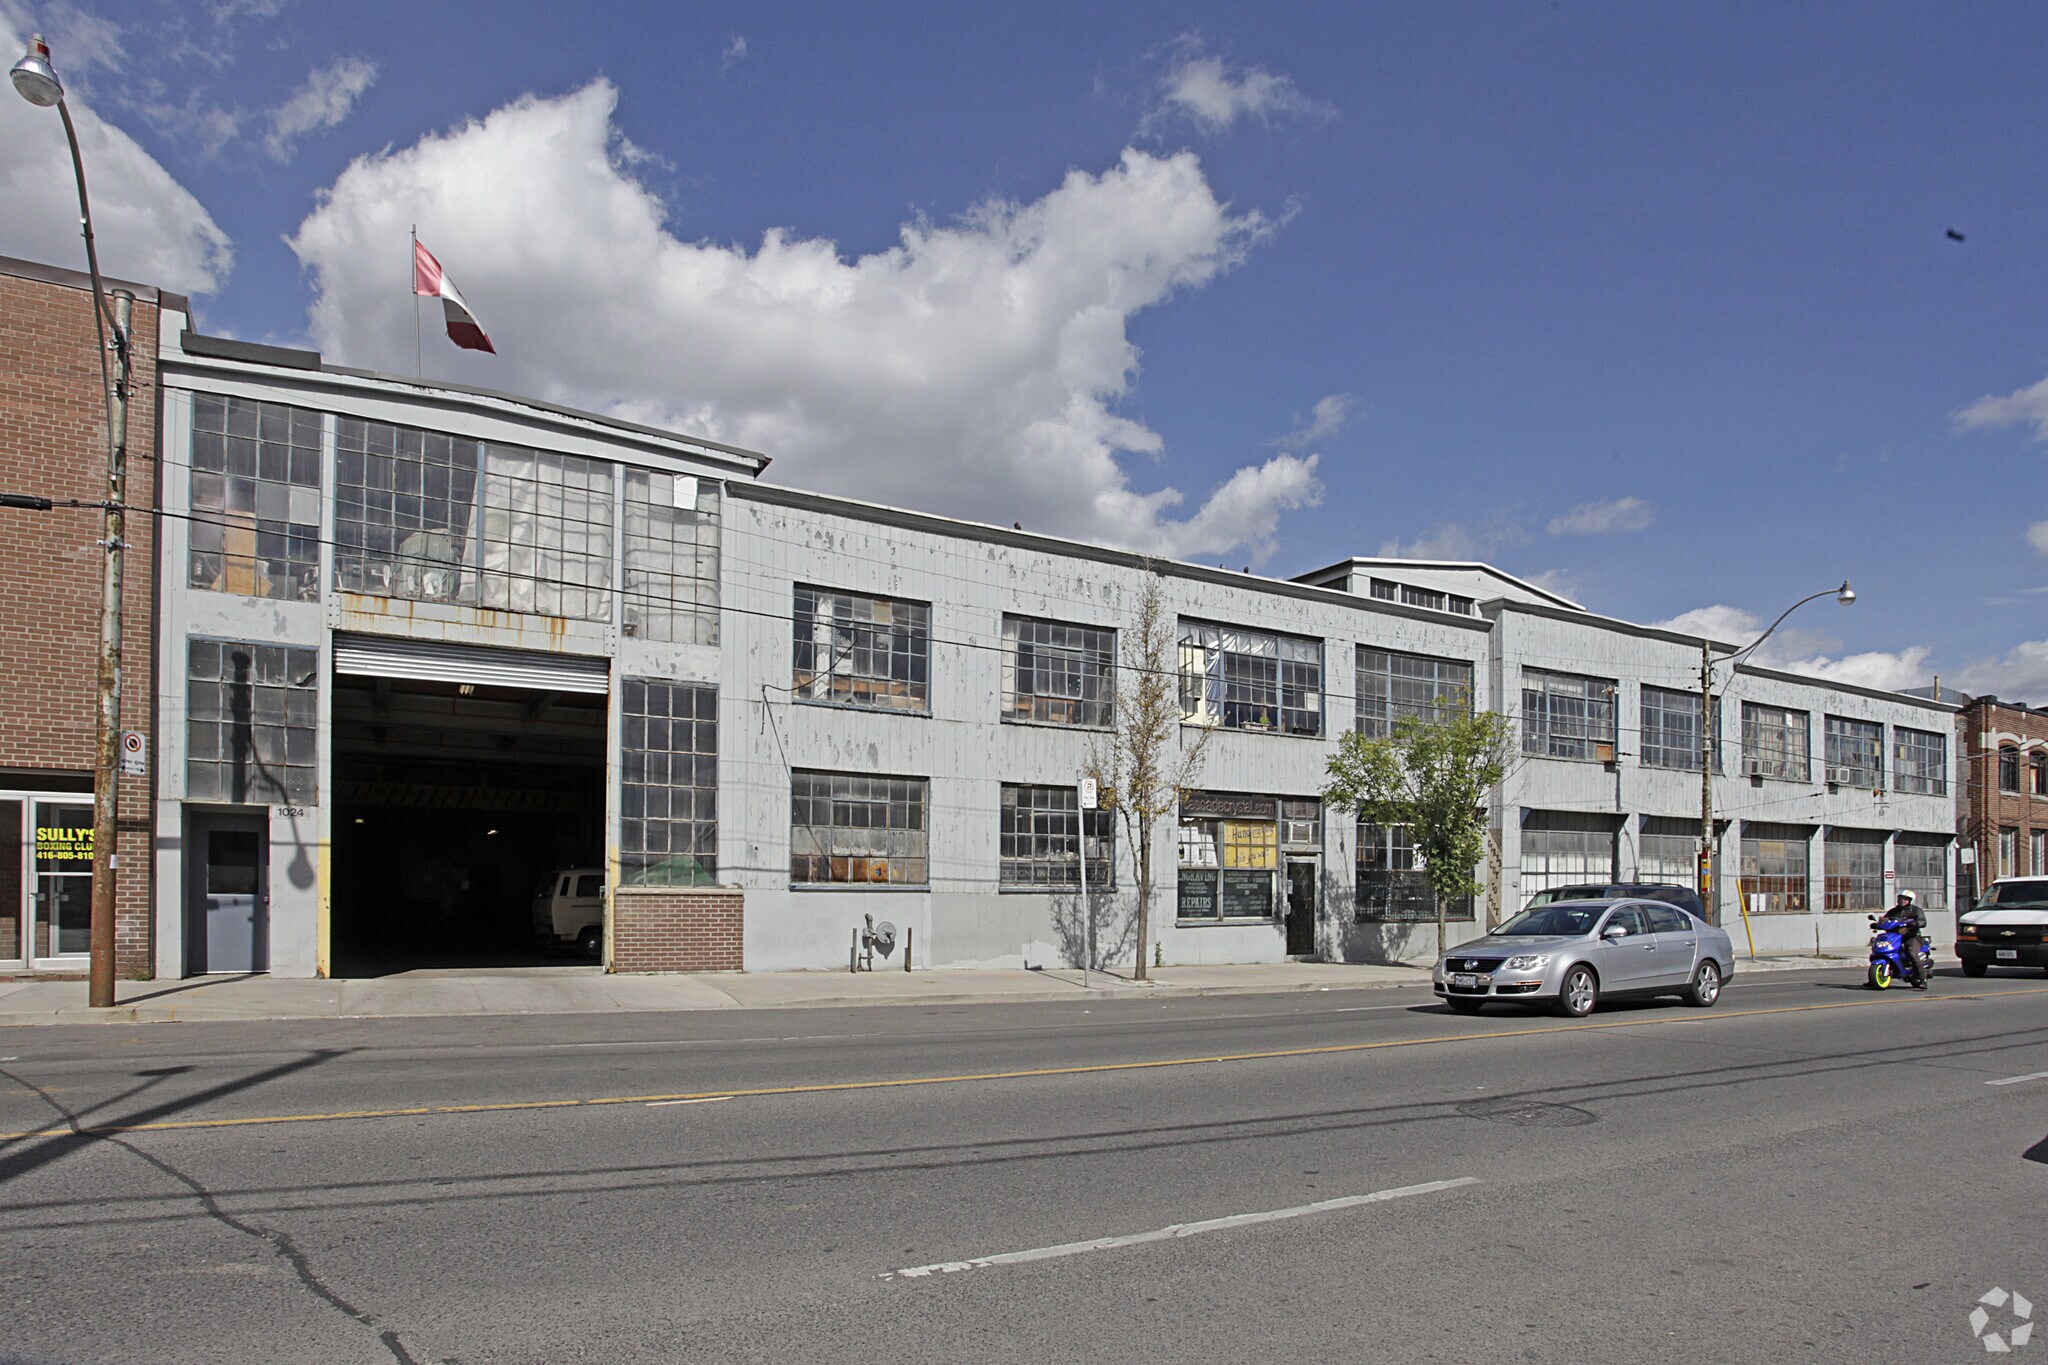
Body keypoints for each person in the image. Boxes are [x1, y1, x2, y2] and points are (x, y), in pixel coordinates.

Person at [1888, 889, 1928, 987]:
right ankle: (1873, 979)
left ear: (1910, 900)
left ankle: (1922, 979)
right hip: (1895, 936)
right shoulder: (1893, 911)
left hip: (1912, 936)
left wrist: (1916, 923)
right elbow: (1886, 920)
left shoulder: (1916, 910)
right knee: (1880, 949)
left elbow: (1923, 921)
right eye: (1901, 898)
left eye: (1905, 899)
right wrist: (1877, 924)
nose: (1902, 900)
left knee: (1912, 953)